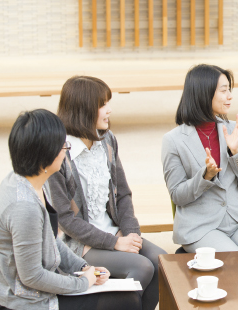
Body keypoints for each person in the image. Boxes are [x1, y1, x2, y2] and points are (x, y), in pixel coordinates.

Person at [0, 109, 141, 310]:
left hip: (37, 291)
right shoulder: (24, 208)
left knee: (125, 296)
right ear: (46, 155)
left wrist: (84, 268)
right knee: (126, 302)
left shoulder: (26, 179)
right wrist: (83, 282)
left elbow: (50, 239)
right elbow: (32, 276)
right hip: (26, 302)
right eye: (64, 146)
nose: (66, 151)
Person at [47, 76, 166, 310]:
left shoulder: (107, 141)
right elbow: (66, 219)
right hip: (79, 243)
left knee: (161, 260)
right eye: (102, 104)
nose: (109, 110)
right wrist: (115, 243)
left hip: (114, 232)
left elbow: (123, 194)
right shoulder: (59, 151)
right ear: (83, 109)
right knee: (142, 267)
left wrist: (130, 235)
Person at [161, 64, 238, 253]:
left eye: (230, 90)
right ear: (204, 93)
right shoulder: (173, 140)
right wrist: (205, 177)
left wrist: (237, 153)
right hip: (201, 226)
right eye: (223, 90)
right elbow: (178, 195)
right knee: (233, 263)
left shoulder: (235, 130)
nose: (230, 96)